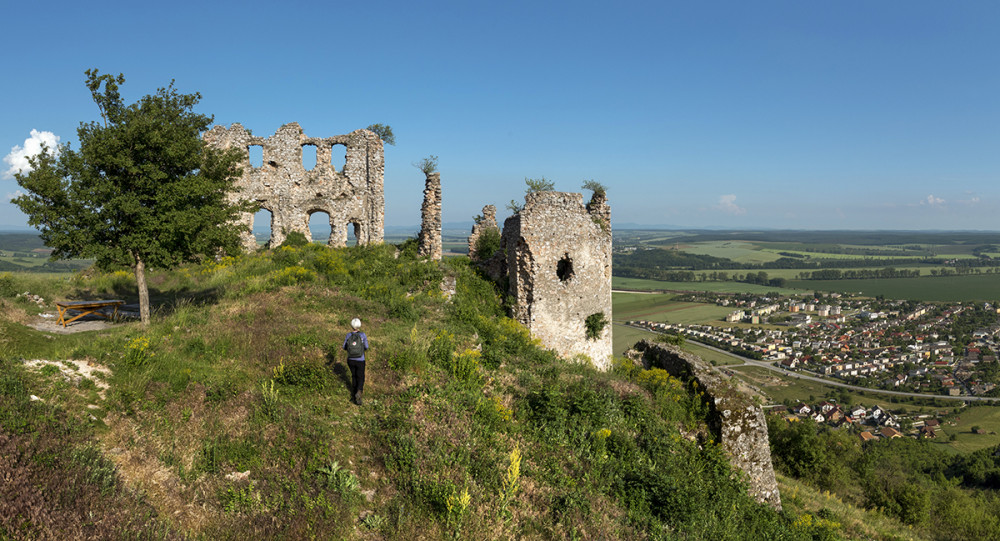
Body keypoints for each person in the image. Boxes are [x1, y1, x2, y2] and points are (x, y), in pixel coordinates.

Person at [343, 318, 369, 405]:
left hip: (350, 359)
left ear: (351, 325)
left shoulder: (348, 335)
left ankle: (354, 397)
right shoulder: (362, 335)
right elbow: (366, 347)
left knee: (354, 376)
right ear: (359, 325)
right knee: (360, 377)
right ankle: (359, 391)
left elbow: (344, 347)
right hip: (360, 359)